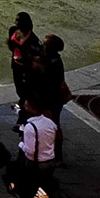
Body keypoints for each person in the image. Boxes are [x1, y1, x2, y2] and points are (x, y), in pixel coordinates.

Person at [17, 97, 59, 197]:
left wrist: (21, 144)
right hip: (50, 161)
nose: (24, 107)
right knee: (45, 187)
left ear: (32, 108)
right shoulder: (50, 123)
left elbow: (30, 151)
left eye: (26, 106)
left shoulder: (30, 127)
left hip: (35, 164)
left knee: (32, 189)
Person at [36, 34, 68, 162]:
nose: (42, 46)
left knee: (53, 125)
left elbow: (49, 82)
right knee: (54, 124)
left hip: (51, 99)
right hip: (54, 99)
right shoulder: (53, 59)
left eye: (45, 44)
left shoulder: (53, 62)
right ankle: (55, 154)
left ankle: (56, 155)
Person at [8, 12, 41, 126]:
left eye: (19, 20)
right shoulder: (13, 30)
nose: (16, 22)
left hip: (25, 67)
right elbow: (11, 45)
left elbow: (36, 54)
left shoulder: (32, 38)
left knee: (25, 91)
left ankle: (23, 115)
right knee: (18, 87)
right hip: (15, 64)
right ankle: (23, 105)